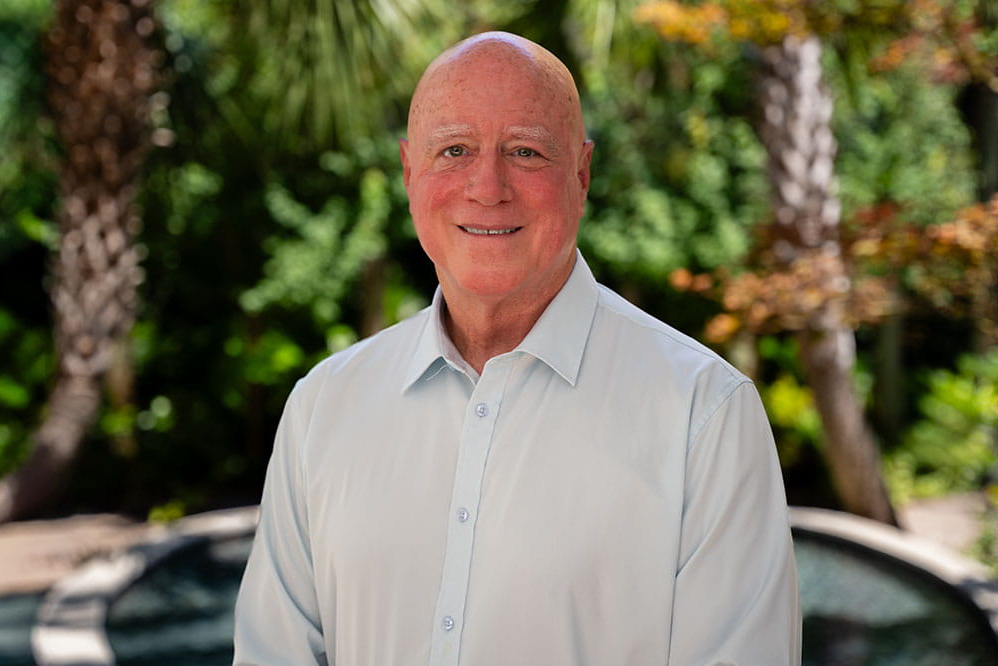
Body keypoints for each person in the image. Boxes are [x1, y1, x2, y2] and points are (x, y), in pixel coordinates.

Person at [234, 31, 800, 666]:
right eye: (454, 150)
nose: (487, 185)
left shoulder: (705, 414)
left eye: (525, 151)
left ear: (581, 175)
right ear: (409, 172)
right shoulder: (322, 409)